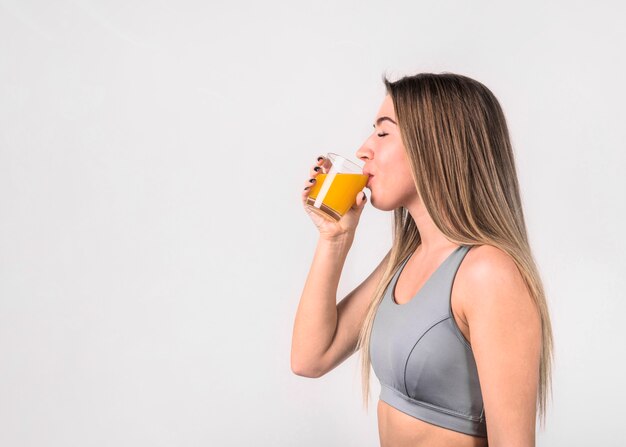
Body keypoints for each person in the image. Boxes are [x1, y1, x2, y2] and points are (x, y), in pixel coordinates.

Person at [291, 72, 553, 447]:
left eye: (383, 133)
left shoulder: (487, 274)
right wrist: (335, 239)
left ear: (436, 145)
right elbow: (310, 358)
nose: (364, 149)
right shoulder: (406, 259)